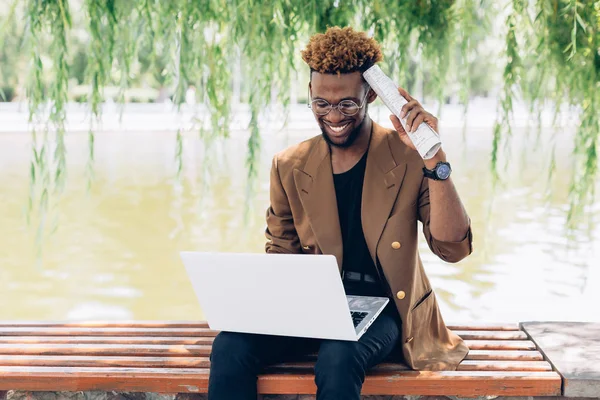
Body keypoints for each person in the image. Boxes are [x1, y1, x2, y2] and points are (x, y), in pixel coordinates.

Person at [208, 26, 473, 400]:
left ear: (370, 94)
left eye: (347, 104)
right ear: (311, 96)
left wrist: (435, 159)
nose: (334, 116)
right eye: (321, 104)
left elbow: (453, 248)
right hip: (313, 305)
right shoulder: (289, 165)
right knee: (229, 348)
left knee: (339, 353)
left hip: (386, 309)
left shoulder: (410, 156)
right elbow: (282, 256)